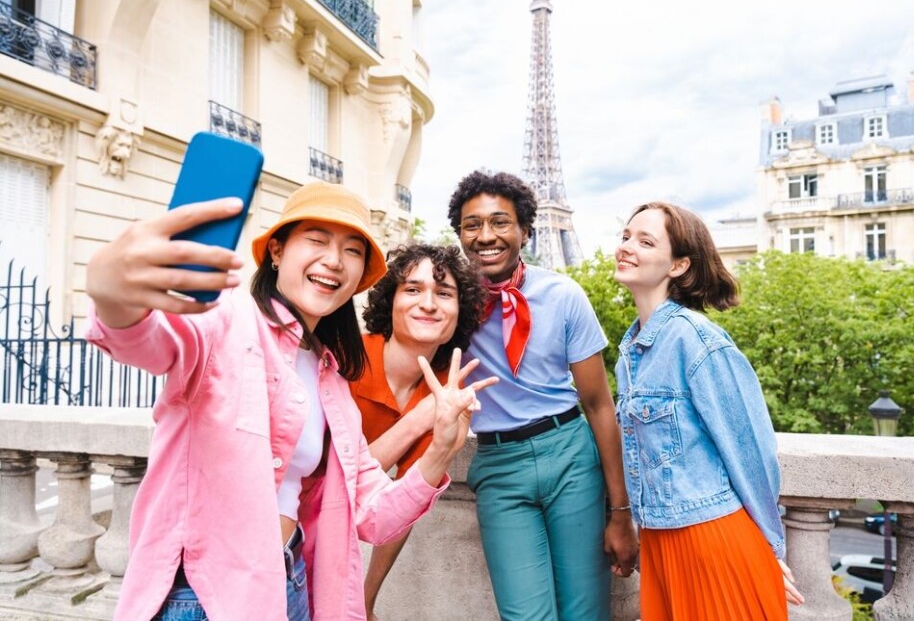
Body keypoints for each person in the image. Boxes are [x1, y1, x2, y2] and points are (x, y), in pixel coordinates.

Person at [84, 181, 492, 621]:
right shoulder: (226, 317)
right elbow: (147, 342)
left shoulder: (332, 381)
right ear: (276, 252)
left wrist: (439, 450)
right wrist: (112, 294)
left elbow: (373, 515)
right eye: (317, 240)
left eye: (353, 251)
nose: (334, 260)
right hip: (203, 596)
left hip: (291, 584)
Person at [447, 170, 637, 620]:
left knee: (584, 612)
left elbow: (598, 405)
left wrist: (620, 511)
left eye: (500, 222)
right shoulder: (450, 303)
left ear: (525, 230)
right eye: (472, 225)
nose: (486, 235)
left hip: (570, 455)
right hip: (499, 467)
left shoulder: (564, 295)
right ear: (459, 235)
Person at [612, 201, 804, 620]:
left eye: (645, 241)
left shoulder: (697, 341)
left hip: (712, 539)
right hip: (661, 542)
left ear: (678, 265)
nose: (627, 246)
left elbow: (751, 452)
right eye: (626, 236)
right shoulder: (631, 353)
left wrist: (771, 548)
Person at [350, 243, 489, 620]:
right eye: (413, 289)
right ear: (389, 301)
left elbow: (404, 502)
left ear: (459, 312)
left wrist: (366, 600)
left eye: (444, 293)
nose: (429, 303)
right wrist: (418, 419)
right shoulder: (344, 360)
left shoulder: (449, 387)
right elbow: (337, 484)